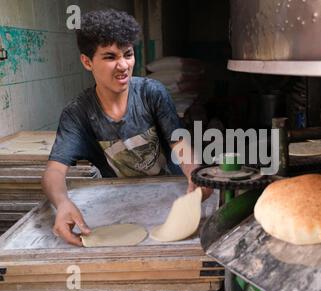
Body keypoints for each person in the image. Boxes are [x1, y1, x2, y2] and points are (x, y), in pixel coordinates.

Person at [42, 9, 211, 247]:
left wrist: (195, 173)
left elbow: (179, 143)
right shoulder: (78, 113)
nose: (123, 65)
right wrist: (62, 203)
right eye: (110, 57)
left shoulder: (151, 93)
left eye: (128, 54)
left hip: (170, 195)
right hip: (119, 203)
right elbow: (54, 173)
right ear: (87, 62)